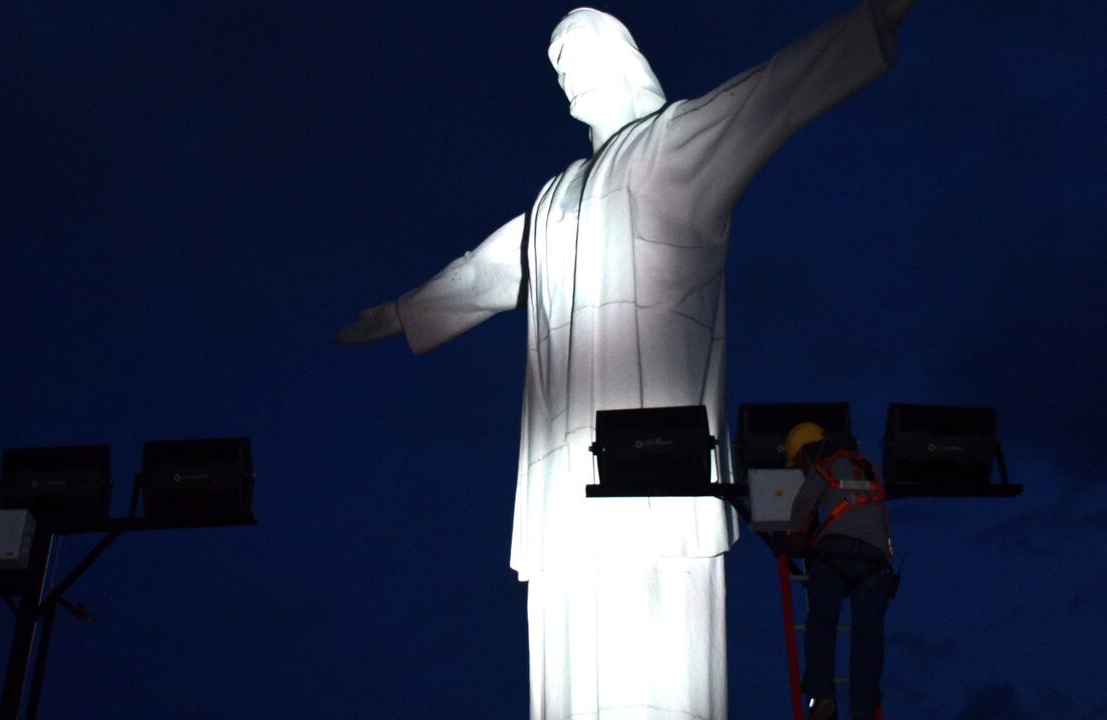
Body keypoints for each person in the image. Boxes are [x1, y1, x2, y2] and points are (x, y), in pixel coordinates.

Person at [336, 3, 913, 718]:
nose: (571, 81)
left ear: (622, 58)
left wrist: (872, 20)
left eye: (580, 58)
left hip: (657, 487)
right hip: (562, 491)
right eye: (559, 70)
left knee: (658, 659)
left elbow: (774, 91)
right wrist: (405, 311)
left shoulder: (673, 150)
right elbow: (486, 273)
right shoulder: (554, 201)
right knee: (570, 663)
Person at [784, 422, 894, 720]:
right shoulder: (869, 464)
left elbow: (805, 499)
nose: (802, 468)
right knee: (868, 634)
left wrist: (794, 533)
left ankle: (821, 699)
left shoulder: (825, 467)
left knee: (821, 624)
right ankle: (864, 707)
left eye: (800, 463)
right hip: (875, 563)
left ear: (808, 453)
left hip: (832, 555)